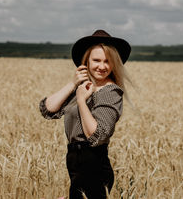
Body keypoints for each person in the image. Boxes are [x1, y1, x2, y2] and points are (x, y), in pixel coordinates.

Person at [39, 29, 131, 199]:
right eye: (96, 60)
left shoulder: (110, 92)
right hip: (75, 163)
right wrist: (73, 84)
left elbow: (96, 136)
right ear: (86, 61)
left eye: (108, 61)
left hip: (93, 163)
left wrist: (82, 102)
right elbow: (47, 109)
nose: (102, 66)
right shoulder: (82, 87)